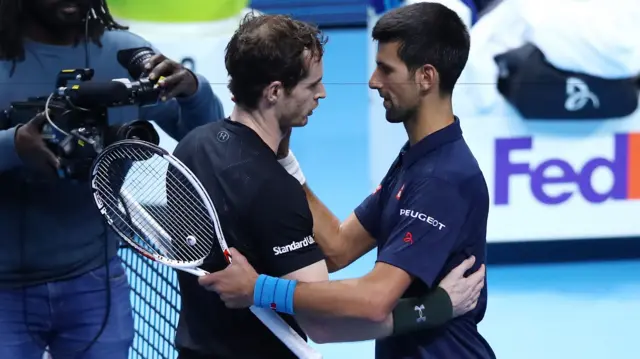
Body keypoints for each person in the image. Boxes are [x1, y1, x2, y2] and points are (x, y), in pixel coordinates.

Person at [172, 11, 485, 359]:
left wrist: (258, 288)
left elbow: (372, 301)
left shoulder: (442, 178)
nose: (372, 81)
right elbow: (337, 248)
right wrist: (285, 161)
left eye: (386, 69)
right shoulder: (414, 160)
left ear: (425, 78)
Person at [0, 0, 224, 358]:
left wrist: (194, 90)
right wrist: (14, 146)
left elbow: (208, 135)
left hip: (94, 281)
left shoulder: (125, 55)